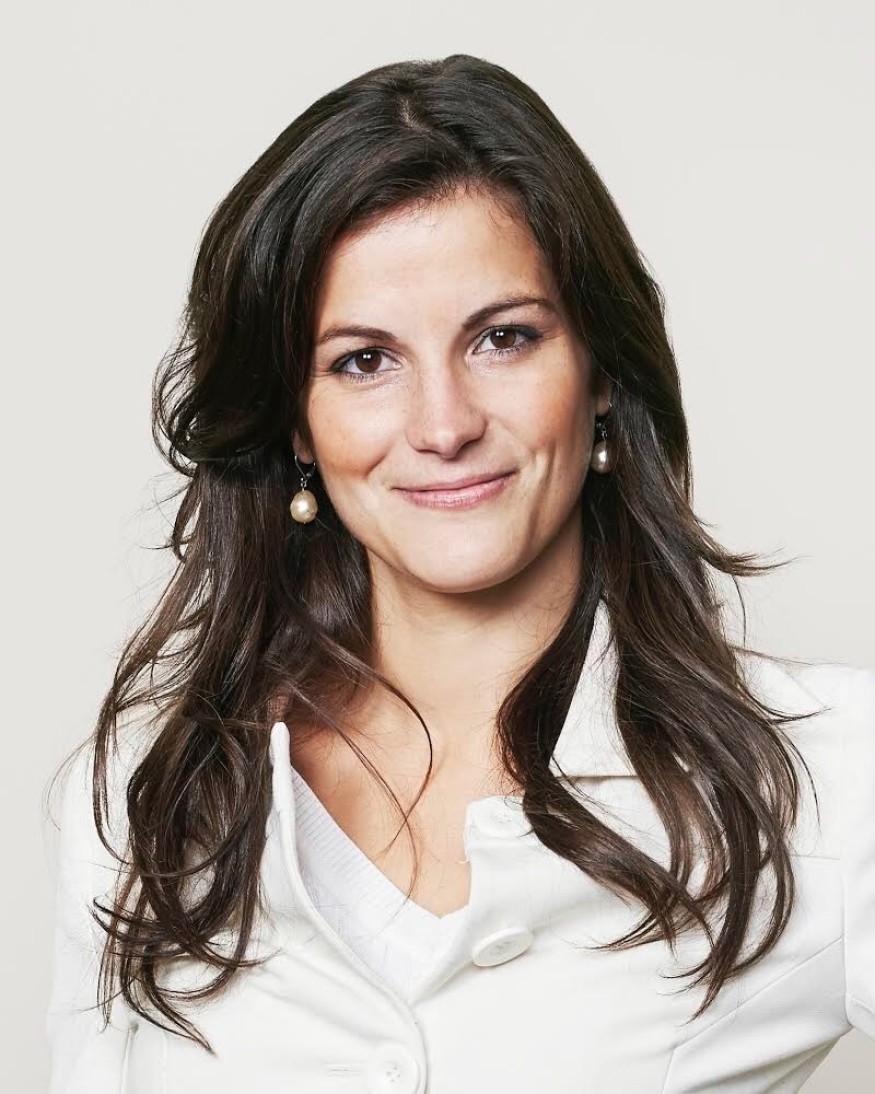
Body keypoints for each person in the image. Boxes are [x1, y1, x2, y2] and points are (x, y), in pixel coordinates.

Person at [47, 53, 874, 1093]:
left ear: (599, 371)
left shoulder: (830, 777)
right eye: (363, 360)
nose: (443, 426)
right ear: (295, 424)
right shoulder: (145, 795)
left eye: (502, 339)